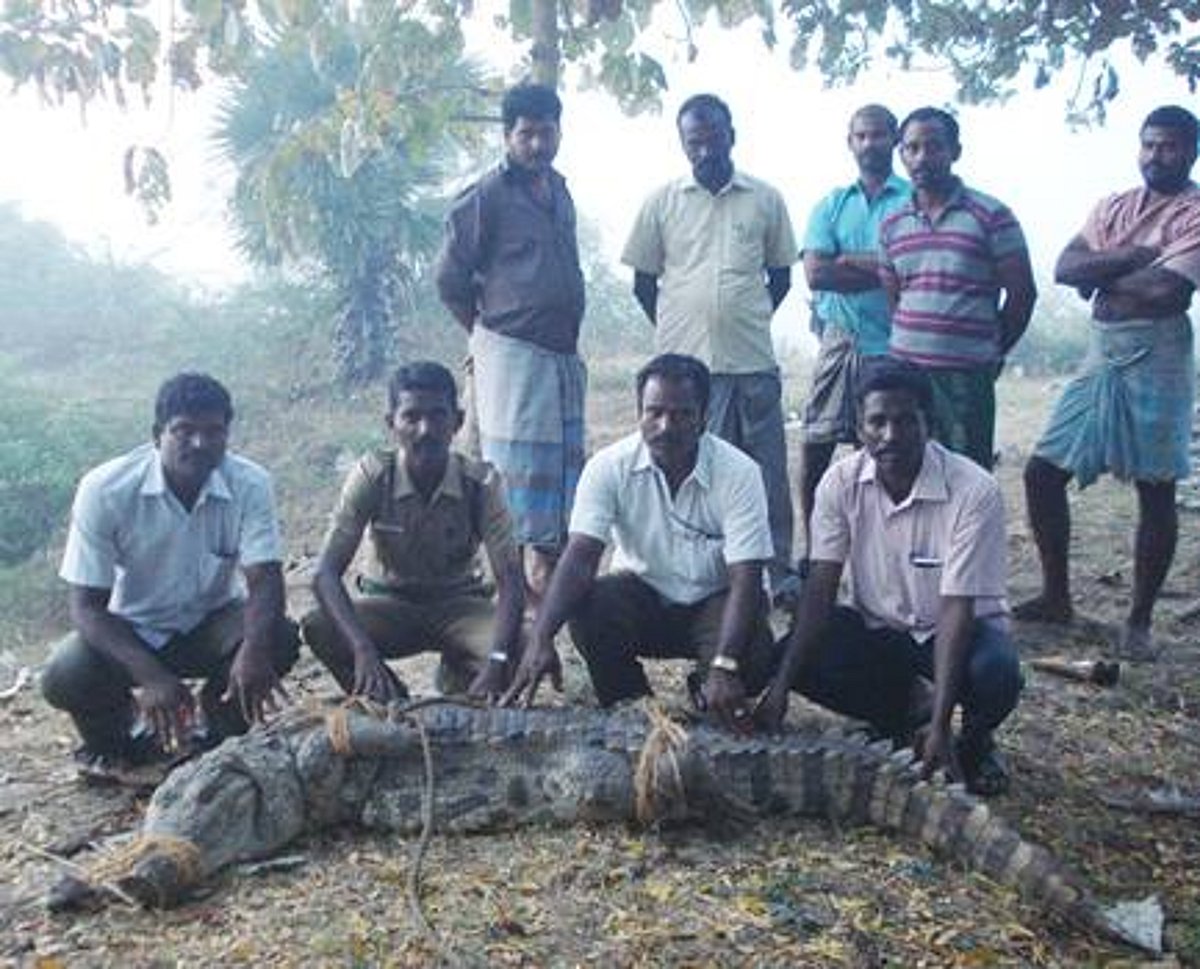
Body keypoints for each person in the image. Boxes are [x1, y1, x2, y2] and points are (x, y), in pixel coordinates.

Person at [758, 360, 1021, 796]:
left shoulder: (974, 490)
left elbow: (956, 609)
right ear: (860, 428)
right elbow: (820, 588)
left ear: (929, 423)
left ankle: (973, 742)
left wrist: (945, 723)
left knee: (997, 673)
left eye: (906, 420)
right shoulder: (839, 483)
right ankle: (904, 716)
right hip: (882, 629)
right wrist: (779, 688)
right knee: (798, 656)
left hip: (957, 632)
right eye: (877, 422)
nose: (891, 435)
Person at [502, 354, 777, 732]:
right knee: (591, 610)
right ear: (639, 413)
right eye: (655, 413)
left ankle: (707, 685)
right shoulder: (607, 467)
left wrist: (725, 664)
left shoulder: (740, 473)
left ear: (704, 416)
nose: (666, 426)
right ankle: (633, 707)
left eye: (682, 414)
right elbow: (580, 558)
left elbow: (747, 577)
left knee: (755, 655)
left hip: (716, 602)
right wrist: (541, 636)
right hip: (643, 598)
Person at [42, 373, 298, 776]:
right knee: (66, 672)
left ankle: (217, 732)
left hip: (212, 623)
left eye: (213, 431)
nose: (199, 443)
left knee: (276, 637)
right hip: (133, 629)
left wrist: (254, 650)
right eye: (184, 430)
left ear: (227, 434)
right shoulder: (105, 490)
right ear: (156, 434)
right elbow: (87, 607)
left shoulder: (250, 484)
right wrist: (151, 677)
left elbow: (265, 580)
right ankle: (119, 743)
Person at [1017, 105, 1200, 661]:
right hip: (1102, 351)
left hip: (1159, 352)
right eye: (1148, 144)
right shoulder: (1114, 205)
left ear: (1192, 152)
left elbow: (1168, 292)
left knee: (1156, 485)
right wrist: (1134, 258)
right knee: (1042, 473)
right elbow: (1066, 267)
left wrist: (1103, 272)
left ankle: (1139, 620)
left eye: (1168, 146)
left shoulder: (1194, 212)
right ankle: (1056, 596)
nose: (1156, 156)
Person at [621, 93, 799, 603]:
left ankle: (778, 574)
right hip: (688, 374)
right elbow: (643, 282)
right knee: (700, 472)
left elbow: (781, 277)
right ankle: (712, 572)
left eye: (712, 138)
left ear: (731, 136)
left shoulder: (765, 199)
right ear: (682, 144)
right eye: (693, 141)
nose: (704, 150)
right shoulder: (661, 202)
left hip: (752, 360)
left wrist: (741, 316)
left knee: (766, 472)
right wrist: (681, 326)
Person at [435, 82, 586, 608]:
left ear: (560, 132)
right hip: (512, 361)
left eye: (547, 132)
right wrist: (484, 335)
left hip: (561, 362)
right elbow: (449, 280)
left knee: (560, 488)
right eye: (527, 135)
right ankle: (513, 605)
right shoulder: (486, 197)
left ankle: (547, 598)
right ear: (507, 136)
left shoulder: (560, 191)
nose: (538, 144)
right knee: (512, 490)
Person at [301, 362, 524, 702]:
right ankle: (389, 702)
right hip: (390, 603)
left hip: (459, 605)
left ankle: (461, 674)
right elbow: (325, 574)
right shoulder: (373, 476)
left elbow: (510, 580)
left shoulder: (480, 483)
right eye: (411, 417)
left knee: (520, 647)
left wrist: (496, 661)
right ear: (391, 423)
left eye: (437, 415)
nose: (425, 430)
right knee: (322, 628)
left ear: (457, 421)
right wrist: (362, 650)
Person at [879, 107, 1037, 469]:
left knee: (965, 475)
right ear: (901, 154)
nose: (922, 157)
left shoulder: (991, 215)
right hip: (905, 374)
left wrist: (992, 349)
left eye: (934, 146)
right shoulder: (892, 223)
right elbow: (895, 298)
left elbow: (1022, 294)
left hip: (967, 376)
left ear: (955, 151)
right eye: (912, 148)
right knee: (906, 471)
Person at [798, 104, 909, 554]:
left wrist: (850, 260)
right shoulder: (831, 204)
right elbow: (816, 274)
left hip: (896, 340)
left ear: (894, 140)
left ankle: (886, 549)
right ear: (850, 142)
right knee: (816, 445)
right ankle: (816, 552)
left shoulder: (913, 201)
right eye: (861, 136)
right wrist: (885, 268)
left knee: (889, 449)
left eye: (879, 135)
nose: (870, 144)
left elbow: (913, 268)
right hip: (840, 338)